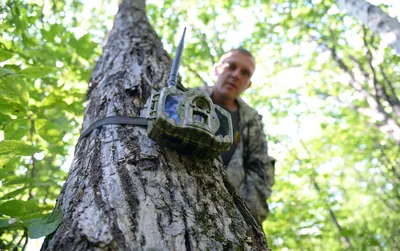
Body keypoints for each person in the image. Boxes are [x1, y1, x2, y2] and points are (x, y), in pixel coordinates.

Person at [198, 48, 275, 223]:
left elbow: (261, 169)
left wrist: (242, 217)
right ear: (217, 70)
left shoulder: (251, 120)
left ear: (248, 84)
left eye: (245, 73)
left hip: (230, 214)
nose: (236, 75)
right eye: (231, 67)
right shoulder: (187, 98)